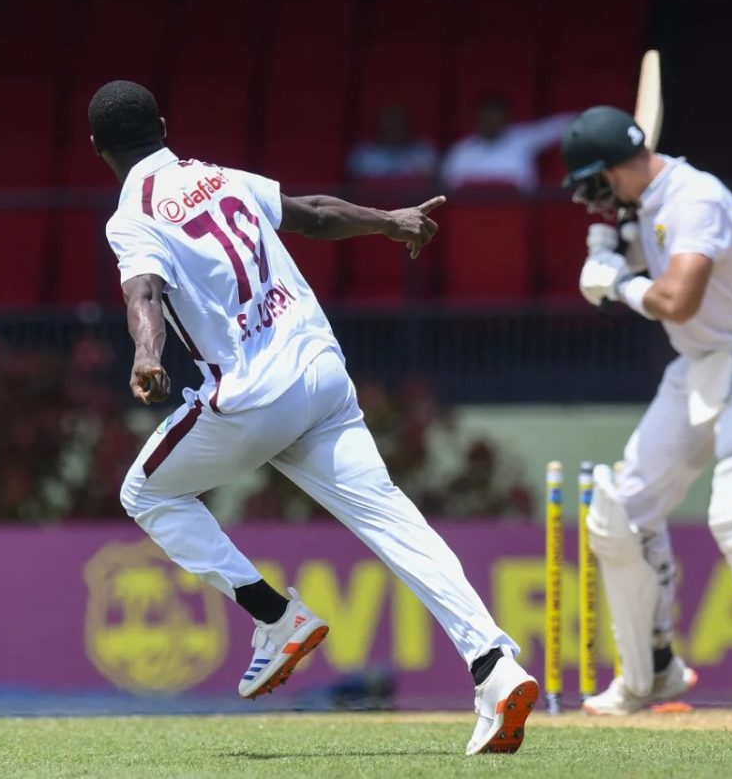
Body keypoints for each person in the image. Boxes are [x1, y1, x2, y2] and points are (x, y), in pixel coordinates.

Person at [88, 80, 537, 755]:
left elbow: (143, 290)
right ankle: (495, 666)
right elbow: (316, 215)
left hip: (251, 395)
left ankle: (276, 618)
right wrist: (390, 220)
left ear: (99, 152)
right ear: (164, 123)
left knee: (146, 492)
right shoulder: (218, 177)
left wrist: (146, 357)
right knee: (393, 519)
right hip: (322, 371)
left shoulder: (132, 216)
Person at [561, 106, 732, 716]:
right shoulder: (647, 203)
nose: (594, 202)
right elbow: (653, 260)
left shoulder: (694, 199)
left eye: (595, 186)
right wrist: (615, 241)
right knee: (618, 512)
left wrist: (616, 281)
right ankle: (651, 672)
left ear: (612, 168)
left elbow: (677, 299)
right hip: (699, 365)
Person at [440, 95, 572, 192]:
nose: (491, 123)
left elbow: (559, 126)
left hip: (518, 216)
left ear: (506, 117)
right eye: (486, 118)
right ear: (476, 119)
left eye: (496, 117)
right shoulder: (460, 152)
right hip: (470, 219)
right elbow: (447, 191)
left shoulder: (523, 140)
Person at [347, 104, 438, 184]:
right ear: (379, 127)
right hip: (371, 203)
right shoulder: (364, 155)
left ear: (407, 126)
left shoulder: (424, 153)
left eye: (398, 124)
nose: (394, 129)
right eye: (389, 125)